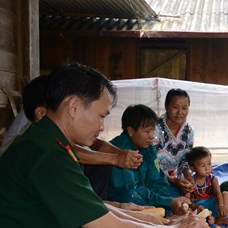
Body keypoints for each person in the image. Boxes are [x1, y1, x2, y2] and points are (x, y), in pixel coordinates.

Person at [0, 62, 208, 228]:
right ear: (73, 107)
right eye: (100, 116)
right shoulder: (47, 155)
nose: (101, 127)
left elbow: (98, 209)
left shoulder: (48, 143)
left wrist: (162, 223)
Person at [0, 74, 144, 200]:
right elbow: (68, 150)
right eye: (99, 116)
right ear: (43, 113)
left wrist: (120, 153)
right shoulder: (32, 141)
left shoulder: (51, 128)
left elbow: (95, 143)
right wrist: (114, 159)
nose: (101, 126)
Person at [108, 104, 193, 215]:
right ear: (131, 131)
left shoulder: (148, 149)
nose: (152, 136)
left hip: (146, 193)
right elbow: (134, 190)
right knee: (130, 197)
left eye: (153, 130)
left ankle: (176, 209)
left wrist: (177, 198)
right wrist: (168, 201)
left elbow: (157, 181)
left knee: (177, 191)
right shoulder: (120, 151)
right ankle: (168, 212)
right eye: (147, 131)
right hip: (124, 198)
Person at [155, 88, 195, 194]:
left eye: (184, 108)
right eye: (175, 107)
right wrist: (171, 180)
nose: (180, 112)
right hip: (154, 179)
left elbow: (185, 161)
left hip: (176, 179)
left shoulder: (189, 131)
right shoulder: (155, 129)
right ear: (166, 106)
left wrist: (188, 176)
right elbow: (151, 163)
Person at [185, 146, 228, 225]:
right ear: (192, 168)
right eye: (203, 166)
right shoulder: (191, 182)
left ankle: (222, 218)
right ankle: (211, 219)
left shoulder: (213, 179)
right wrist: (194, 207)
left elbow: (217, 193)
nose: (207, 168)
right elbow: (187, 200)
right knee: (187, 210)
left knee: (226, 194)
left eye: (209, 164)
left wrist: (221, 206)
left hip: (212, 204)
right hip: (199, 207)